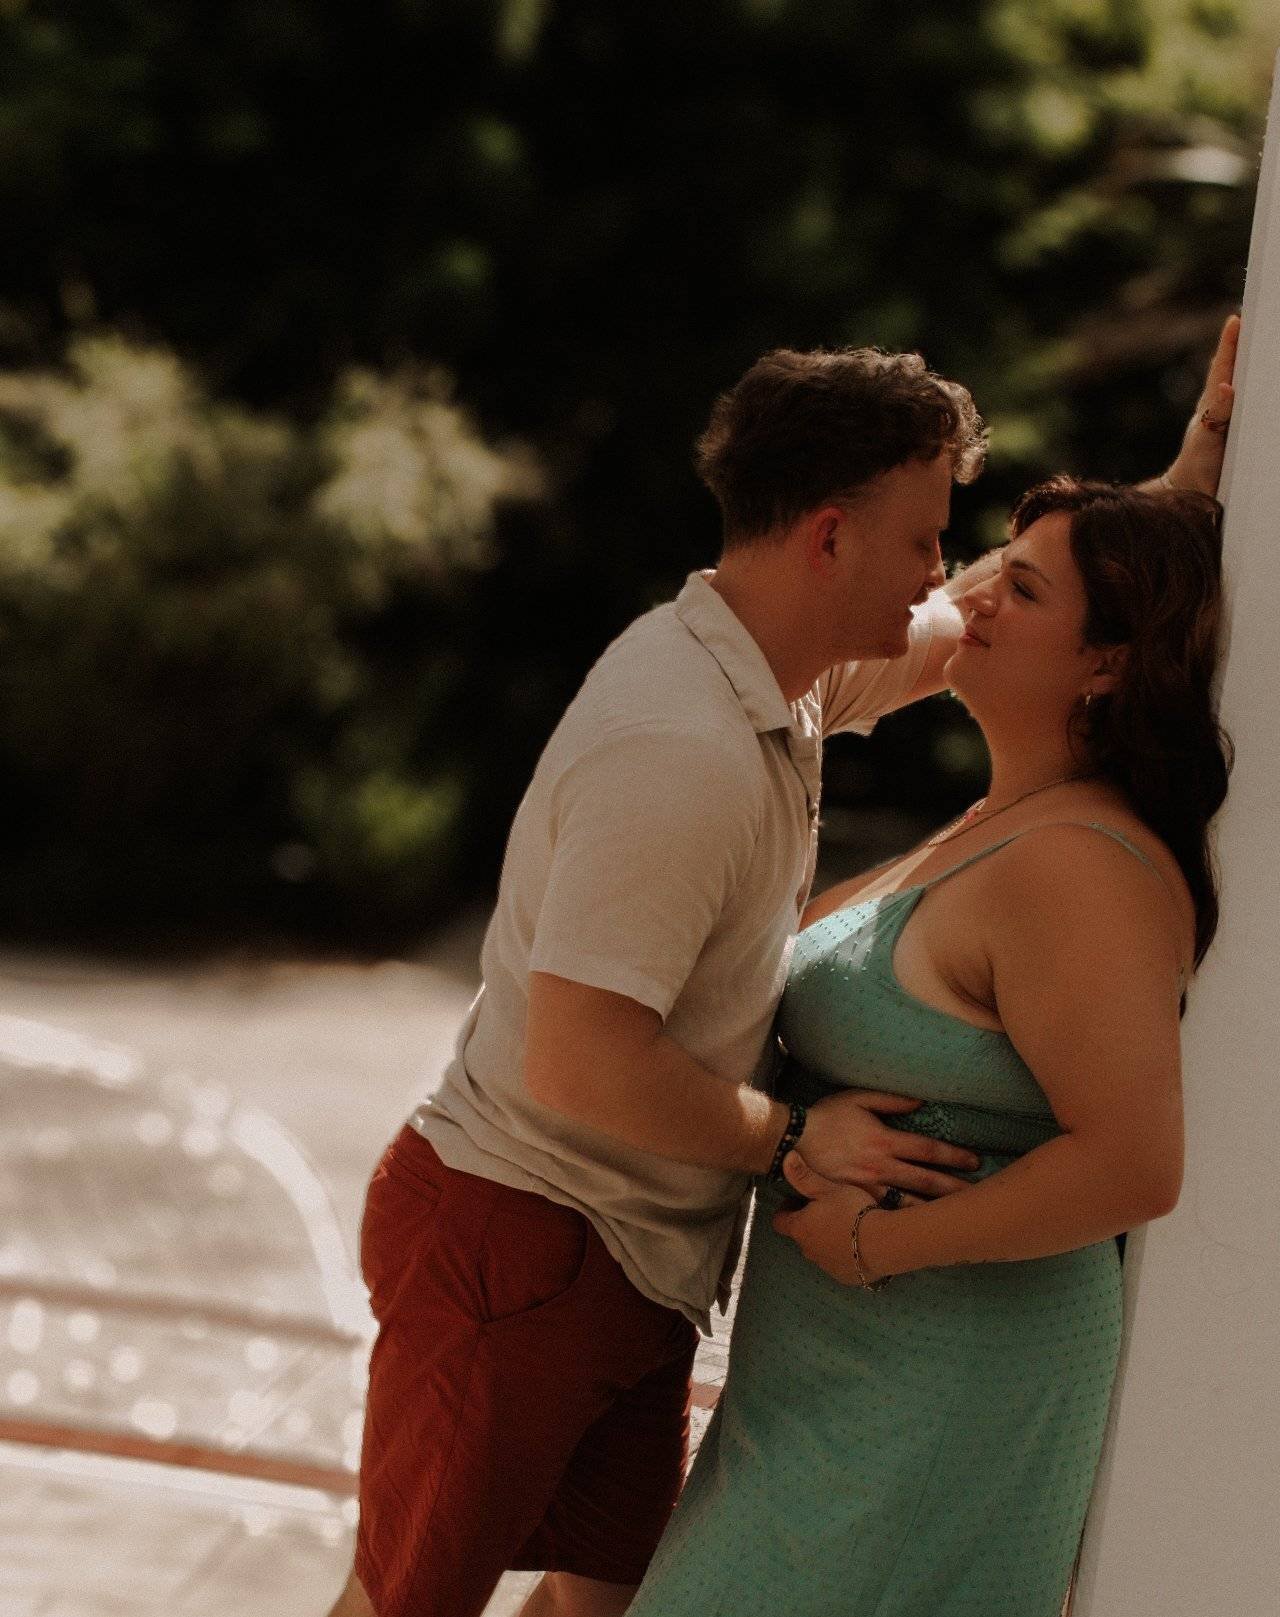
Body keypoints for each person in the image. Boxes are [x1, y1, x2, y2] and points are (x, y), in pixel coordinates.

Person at [326, 319, 1237, 1617]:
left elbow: (1063, 613)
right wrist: (802, 1138)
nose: (951, 579)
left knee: (592, 1604)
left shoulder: (787, 681)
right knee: (406, 1602)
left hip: (641, 1273)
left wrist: (1188, 497)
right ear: (830, 537)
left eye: (965, 557)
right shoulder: (679, 742)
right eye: (929, 538)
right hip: (526, 1231)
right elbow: (580, 1055)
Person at [622, 470, 1233, 1617]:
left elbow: (1131, 1164)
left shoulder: (1080, 869)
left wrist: (883, 1250)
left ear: (1105, 662)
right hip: (823, 1377)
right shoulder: (1006, 820)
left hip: (941, 1380)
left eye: (1023, 590)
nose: (975, 601)